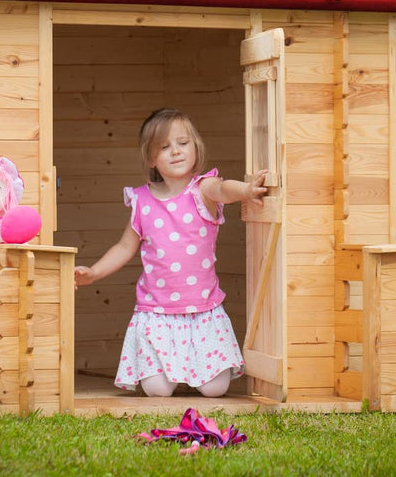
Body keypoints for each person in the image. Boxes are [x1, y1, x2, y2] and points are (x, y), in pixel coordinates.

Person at [75, 108, 268, 398]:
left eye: (183, 143)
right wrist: (94, 272)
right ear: (152, 158)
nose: (175, 151)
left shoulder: (203, 189)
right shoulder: (141, 200)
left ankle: (198, 370)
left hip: (202, 310)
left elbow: (225, 189)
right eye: (165, 147)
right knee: (157, 390)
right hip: (157, 313)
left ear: (195, 147)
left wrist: (248, 189)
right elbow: (125, 247)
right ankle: (168, 371)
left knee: (215, 389)